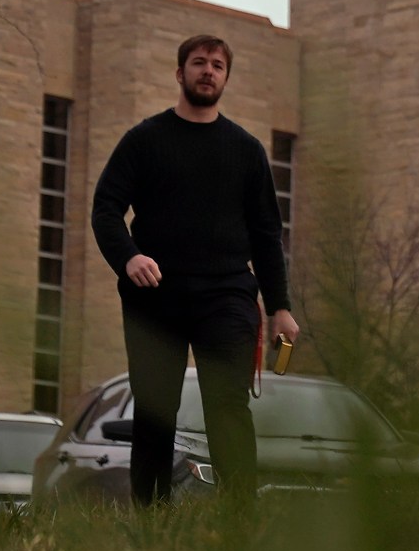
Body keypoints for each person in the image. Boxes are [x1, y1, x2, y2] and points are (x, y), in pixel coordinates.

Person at [90, 34, 301, 503]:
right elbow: (106, 209)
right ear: (180, 73)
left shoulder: (246, 151)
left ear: (226, 78)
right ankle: (151, 520)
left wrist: (280, 307)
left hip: (226, 296)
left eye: (218, 66)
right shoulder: (144, 141)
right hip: (155, 295)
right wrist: (128, 257)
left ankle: (239, 515)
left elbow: (267, 234)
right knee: (155, 410)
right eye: (199, 63)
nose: (208, 71)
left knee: (227, 404)